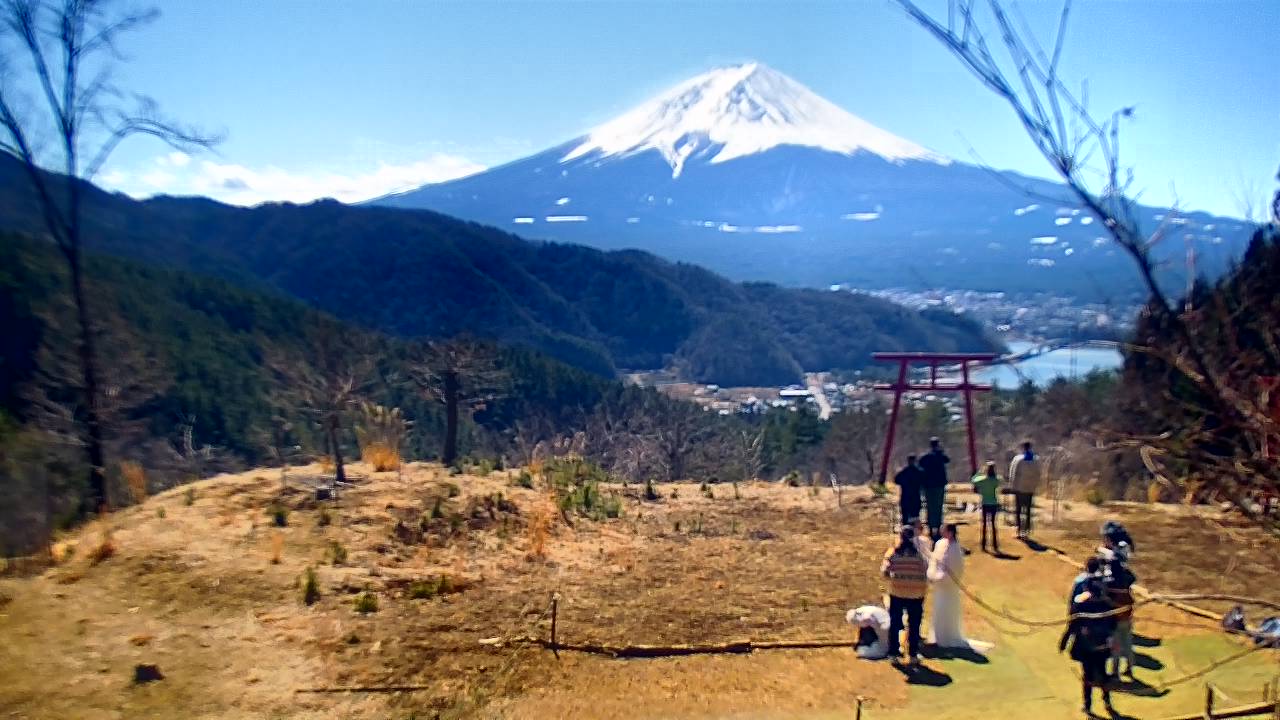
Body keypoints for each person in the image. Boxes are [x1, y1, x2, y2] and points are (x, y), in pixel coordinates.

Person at [927, 524, 994, 653]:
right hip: (940, 586)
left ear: (951, 533)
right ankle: (938, 635)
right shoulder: (940, 544)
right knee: (938, 609)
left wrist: (942, 578)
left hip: (949, 586)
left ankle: (947, 636)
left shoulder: (955, 549)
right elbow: (934, 561)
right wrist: (932, 575)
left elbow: (957, 569)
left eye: (944, 530)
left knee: (947, 610)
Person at [1059, 579, 1118, 717]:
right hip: (1102, 646)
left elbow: (1072, 626)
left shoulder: (1081, 606)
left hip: (1087, 647)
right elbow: (1113, 626)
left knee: (1088, 676)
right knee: (1103, 674)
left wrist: (1064, 642)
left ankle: (1088, 704)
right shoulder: (1107, 605)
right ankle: (1106, 701)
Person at [882, 526, 929, 666]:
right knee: (914, 625)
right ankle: (913, 653)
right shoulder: (919, 555)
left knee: (895, 623)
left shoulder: (893, 553)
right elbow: (925, 570)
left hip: (897, 592)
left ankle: (893, 653)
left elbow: (884, 571)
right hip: (916, 594)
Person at [1105, 552, 1137, 680]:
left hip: (1115, 619)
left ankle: (1115, 673)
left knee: (1116, 647)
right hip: (1127, 617)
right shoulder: (1127, 578)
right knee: (1128, 645)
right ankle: (1129, 669)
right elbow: (1132, 577)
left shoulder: (1110, 581)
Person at [918, 438, 950, 540]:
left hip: (928, 485)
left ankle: (931, 529)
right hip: (939, 485)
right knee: (939, 507)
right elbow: (947, 459)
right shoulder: (940, 455)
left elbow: (920, 464)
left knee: (930, 507)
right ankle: (938, 527)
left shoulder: (925, 457)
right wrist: (940, 451)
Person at [1008, 441, 1038, 539]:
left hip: (1019, 488)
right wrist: (1034, 486)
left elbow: (1013, 474)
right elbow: (1039, 474)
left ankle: (1019, 530)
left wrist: (1012, 486)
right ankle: (1027, 530)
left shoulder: (1018, 459)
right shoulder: (1036, 460)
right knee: (1028, 510)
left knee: (1018, 510)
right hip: (1030, 489)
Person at [971, 461, 1002, 553]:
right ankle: (995, 544)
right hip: (994, 503)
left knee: (984, 524)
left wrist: (979, 472)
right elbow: (1000, 480)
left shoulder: (983, 480)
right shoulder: (996, 480)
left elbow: (973, 479)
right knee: (993, 524)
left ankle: (983, 545)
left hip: (985, 503)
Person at [894, 455, 925, 527]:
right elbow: (924, 482)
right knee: (915, 516)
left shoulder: (903, 472)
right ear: (915, 461)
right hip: (915, 496)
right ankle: (914, 532)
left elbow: (896, 480)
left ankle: (906, 532)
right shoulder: (919, 472)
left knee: (905, 517)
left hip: (905, 497)